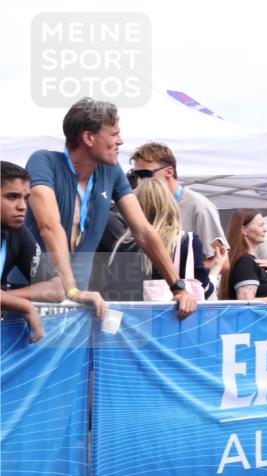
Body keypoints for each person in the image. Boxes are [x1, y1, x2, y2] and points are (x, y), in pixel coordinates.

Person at [23, 97, 196, 320]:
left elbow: (143, 231)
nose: (120, 141)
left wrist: (178, 288)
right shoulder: (43, 161)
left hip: (78, 301)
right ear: (89, 137)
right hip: (33, 297)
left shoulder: (111, 171)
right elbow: (49, 226)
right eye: (114, 134)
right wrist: (72, 291)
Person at [105, 178, 220, 301]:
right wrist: (217, 267)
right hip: (177, 312)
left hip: (133, 312)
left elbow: (112, 291)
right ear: (170, 204)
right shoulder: (187, 241)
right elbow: (203, 291)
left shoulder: (123, 244)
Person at [129, 142, 229, 273]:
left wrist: (175, 271)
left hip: (186, 285)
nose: (139, 181)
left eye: (145, 174)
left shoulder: (200, 207)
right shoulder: (142, 205)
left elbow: (223, 261)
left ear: (169, 172)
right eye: (136, 175)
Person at [1, 161, 64, 342]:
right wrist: (24, 305)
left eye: (25, 198)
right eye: (12, 197)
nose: (22, 206)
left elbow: (56, 289)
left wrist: (6, 298)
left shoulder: (18, 233)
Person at [220, 209, 267, 303]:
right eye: (260, 225)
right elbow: (246, 302)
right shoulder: (245, 263)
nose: (265, 229)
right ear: (244, 230)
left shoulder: (250, 261)